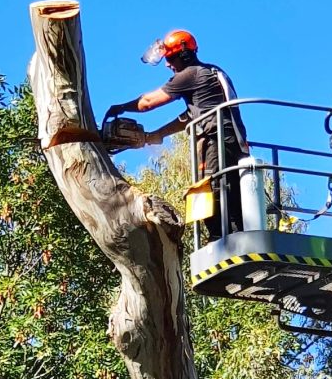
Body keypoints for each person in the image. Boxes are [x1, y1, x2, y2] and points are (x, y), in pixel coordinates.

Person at [105, 29, 249, 241]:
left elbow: (147, 103)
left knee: (215, 189)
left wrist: (121, 107)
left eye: (170, 58)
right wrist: (158, 134)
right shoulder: (211, 72)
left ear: (184, 55)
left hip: (216, 139)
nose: (167, 64)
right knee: (227, 188)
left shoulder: (190, 74)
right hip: (231, 140)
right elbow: (190, 116)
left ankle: (223, 239)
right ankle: (230, 235)